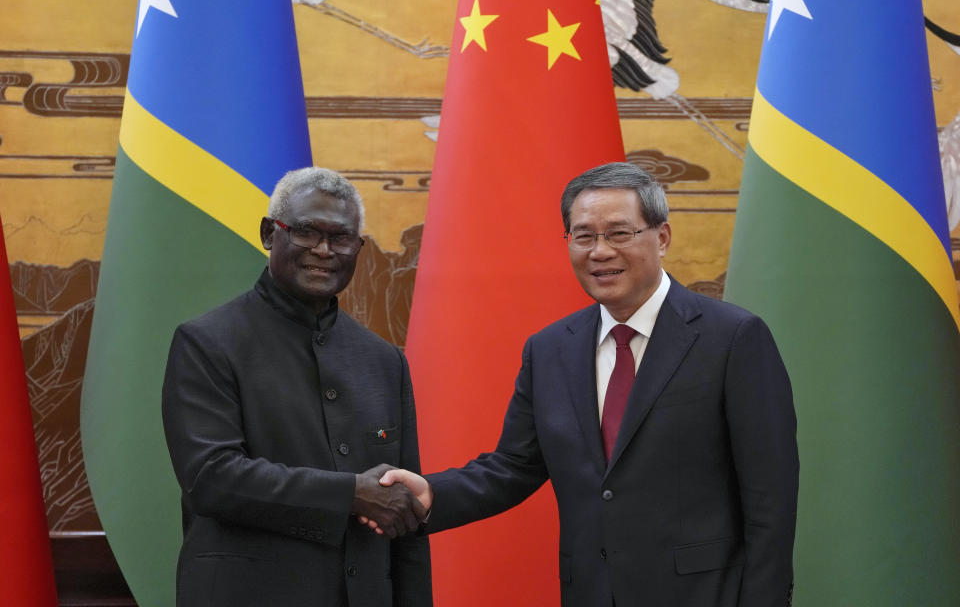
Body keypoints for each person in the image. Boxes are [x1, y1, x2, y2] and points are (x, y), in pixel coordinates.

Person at [374, 162, 799, 606]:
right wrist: (432, 494)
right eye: (583, 236)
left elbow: (770, 498)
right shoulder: (551, 349)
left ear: (663, 237)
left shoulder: (732, 338)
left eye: (619, 234)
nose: (600, 252)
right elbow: (513, 467)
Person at [161, 167, 431, 607]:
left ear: (358, 248)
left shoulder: (384, 361)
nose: (324, 251)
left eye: (341, 238)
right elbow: (212, 478)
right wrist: (350, 494)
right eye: (306, 232)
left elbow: (403, 511)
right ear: (270, 233)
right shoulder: (207, 342)